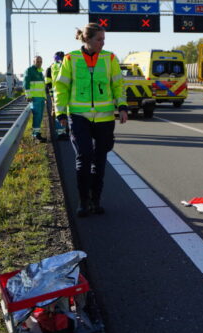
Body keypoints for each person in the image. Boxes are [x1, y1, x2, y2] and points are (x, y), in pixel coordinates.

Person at [54, 23, 128, 217]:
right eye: (99, 39)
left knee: (100, 160)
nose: (102, 43)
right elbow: (61, 88)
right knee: (84, 156)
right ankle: (83, 202)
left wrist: (122, 107)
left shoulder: (109, 58)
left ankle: (96, 200)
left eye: (104, 39)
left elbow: (118, 84)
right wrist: (60, 112)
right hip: (79, 116)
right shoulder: (71, 58)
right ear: (87, 39)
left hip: (104, 117)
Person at [23, 55, 47, 142]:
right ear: (34, 62)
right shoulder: (29, 70)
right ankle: (35, 135)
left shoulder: (40, 71)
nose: (39, 63)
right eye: (38, 61)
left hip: (40, 98)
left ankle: (37, 134)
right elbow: (26, 84)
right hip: (34, 98)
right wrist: (28, 95)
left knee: (39, 117)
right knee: (37, 116)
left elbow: (42, 86)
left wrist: (44, 97)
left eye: (41, 61)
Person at [45, 51, 67, 139]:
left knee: (65, 112)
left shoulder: (65, 66)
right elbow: (48, 83)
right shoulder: (50, 68)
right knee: (58, 112)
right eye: (59, 57)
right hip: (56, 93)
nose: (61, 59)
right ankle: (60, 133)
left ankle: (64, 131)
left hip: (66, 93)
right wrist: (51, 94)